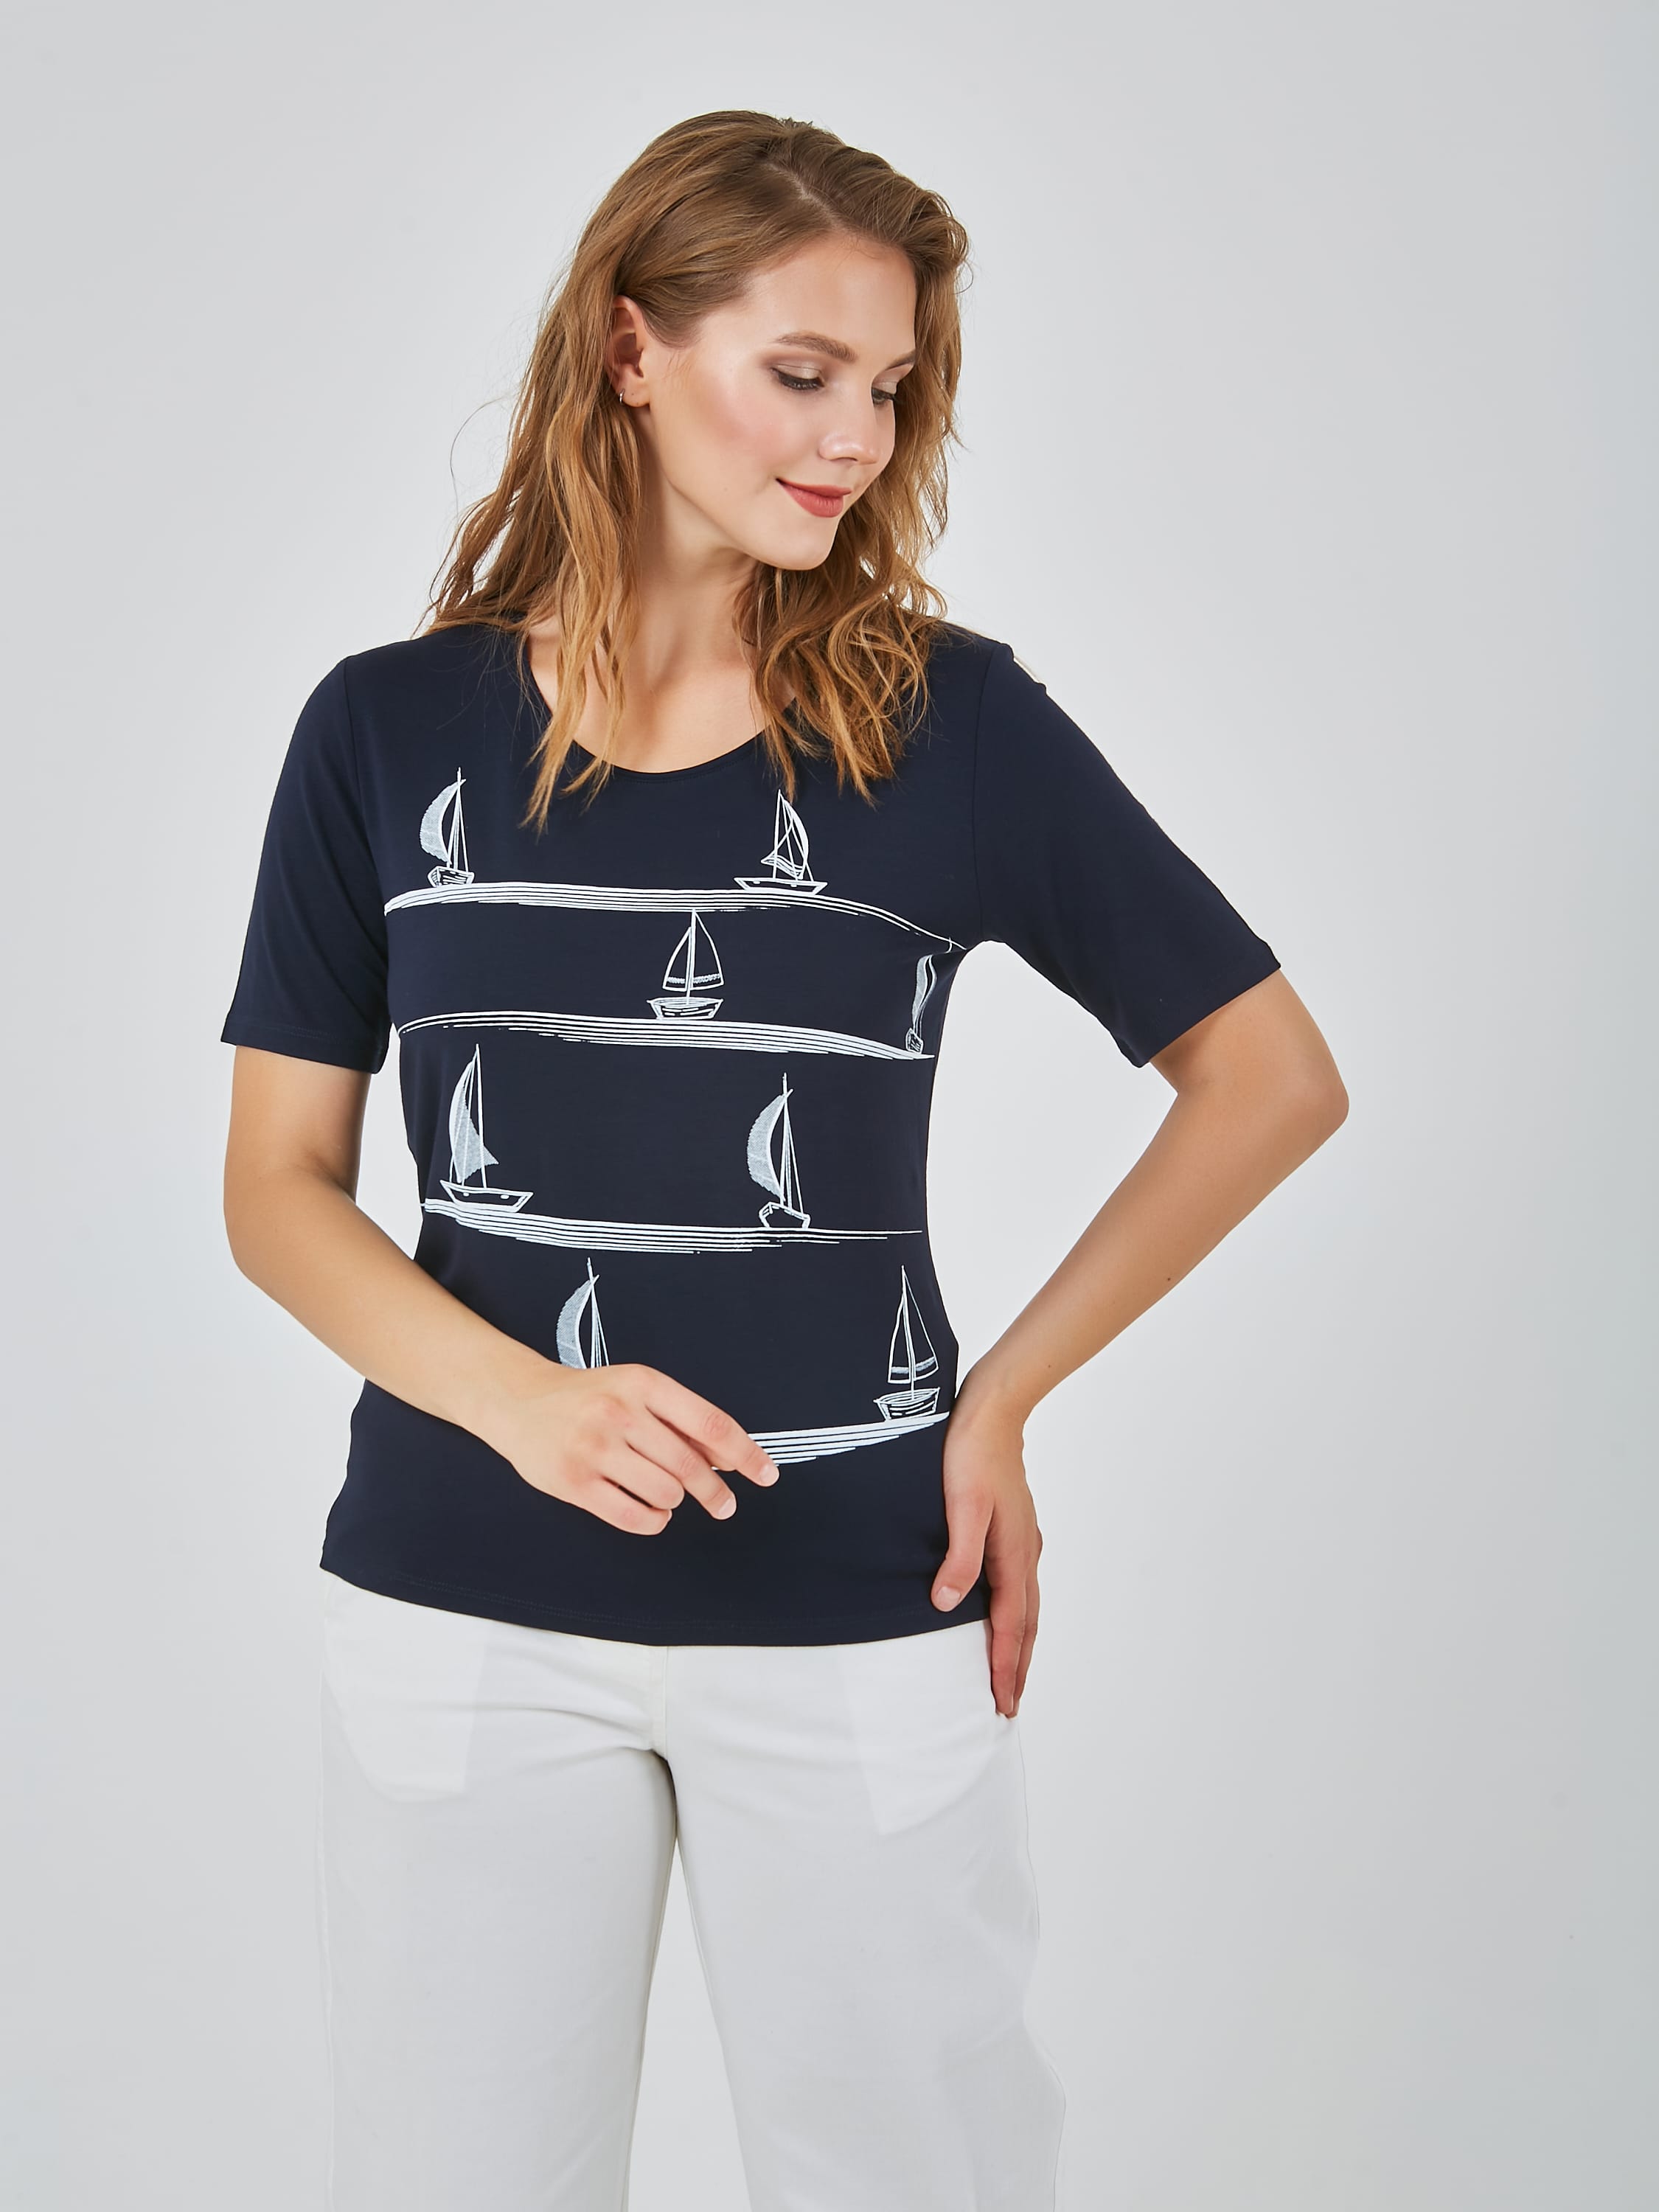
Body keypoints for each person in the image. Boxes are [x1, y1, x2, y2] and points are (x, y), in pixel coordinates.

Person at [220, 109, 1346, 2212]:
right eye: (801, 372)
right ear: (630, 349)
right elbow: (275, 1185)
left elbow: (1268, 1074)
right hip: (462, 1611)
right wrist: (527, 1406)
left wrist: (998, 1401)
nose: (852, 439)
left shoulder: (949, 724)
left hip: (854, 1593)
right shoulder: (383, 731)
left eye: (890, 387)